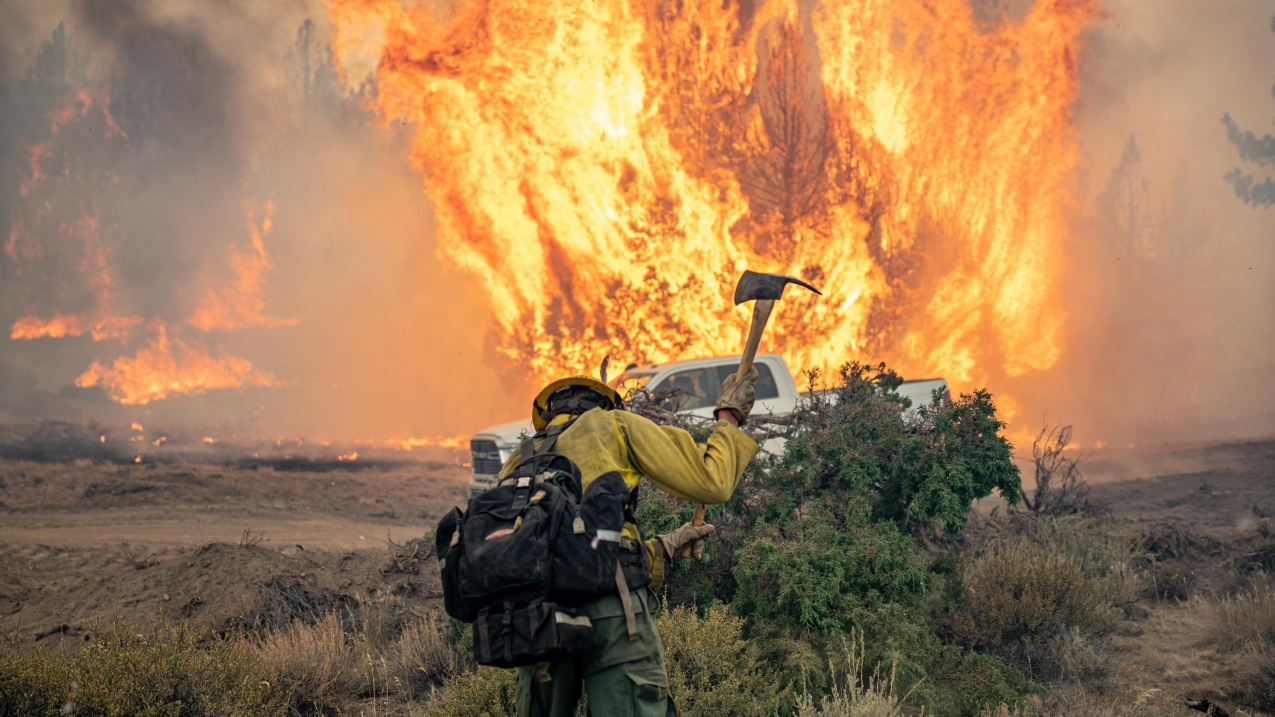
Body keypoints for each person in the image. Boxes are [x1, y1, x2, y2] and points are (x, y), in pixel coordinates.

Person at [506, 367, 760, 717]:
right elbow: (712, 482)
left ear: (547, 414)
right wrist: (729, 417)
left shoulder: (521, 459)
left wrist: (665, 547)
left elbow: (558, 552)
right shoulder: (613, 425)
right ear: (604, 404)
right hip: (613, 605)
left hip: (538, 616)